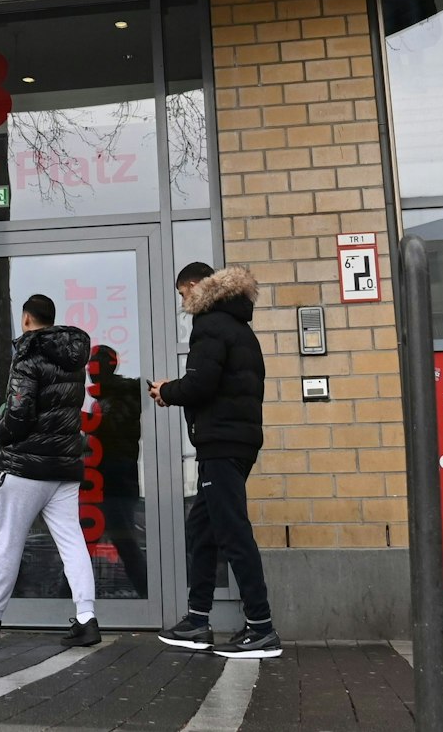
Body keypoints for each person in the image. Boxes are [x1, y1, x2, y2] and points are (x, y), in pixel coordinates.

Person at [0, 294, 101, 647]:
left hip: (27, 467)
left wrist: (1, 435)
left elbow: (19, 413)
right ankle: (87, 618)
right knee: (72, 542)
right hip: (63, 467)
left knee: (7, 543)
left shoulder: (29, 355)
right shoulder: (74, 361)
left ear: (27, 320)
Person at [150, 262, 279, 659]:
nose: (183, 302)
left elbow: (202, 383)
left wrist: (166, 391)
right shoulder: (240, 329)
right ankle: (196, 620)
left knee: (232, 532)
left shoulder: (209, 326)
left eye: (181, 294)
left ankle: (261, 628)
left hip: (221, 443)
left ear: (192, 286)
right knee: (203, 530)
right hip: (235, 442)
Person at [90, 346, 149, 598]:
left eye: (93, 365)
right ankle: (68, 598)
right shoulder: (104, 399)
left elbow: (110, 434)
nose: (89, 372)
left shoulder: (123, 397)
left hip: (114, 483)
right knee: (82, 544)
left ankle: (149, 596)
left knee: (124, 544)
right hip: (100, 482)